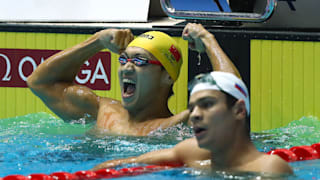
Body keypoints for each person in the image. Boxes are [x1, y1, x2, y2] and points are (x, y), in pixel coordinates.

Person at [27, 23, 239, 136]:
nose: (126, 66)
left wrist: (207, 39)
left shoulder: (180, 126)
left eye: (140, 61)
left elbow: (231, 96)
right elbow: (41, 83)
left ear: (167, 77)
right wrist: (97, 40)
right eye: (123, 59)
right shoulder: (103, 110)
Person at [92, 71, 293, 174]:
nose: (195, 115)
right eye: (193, 107)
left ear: (239, 110)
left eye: (207, 104)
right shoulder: (190, 152)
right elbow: (118, 165)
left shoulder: (269, 168)